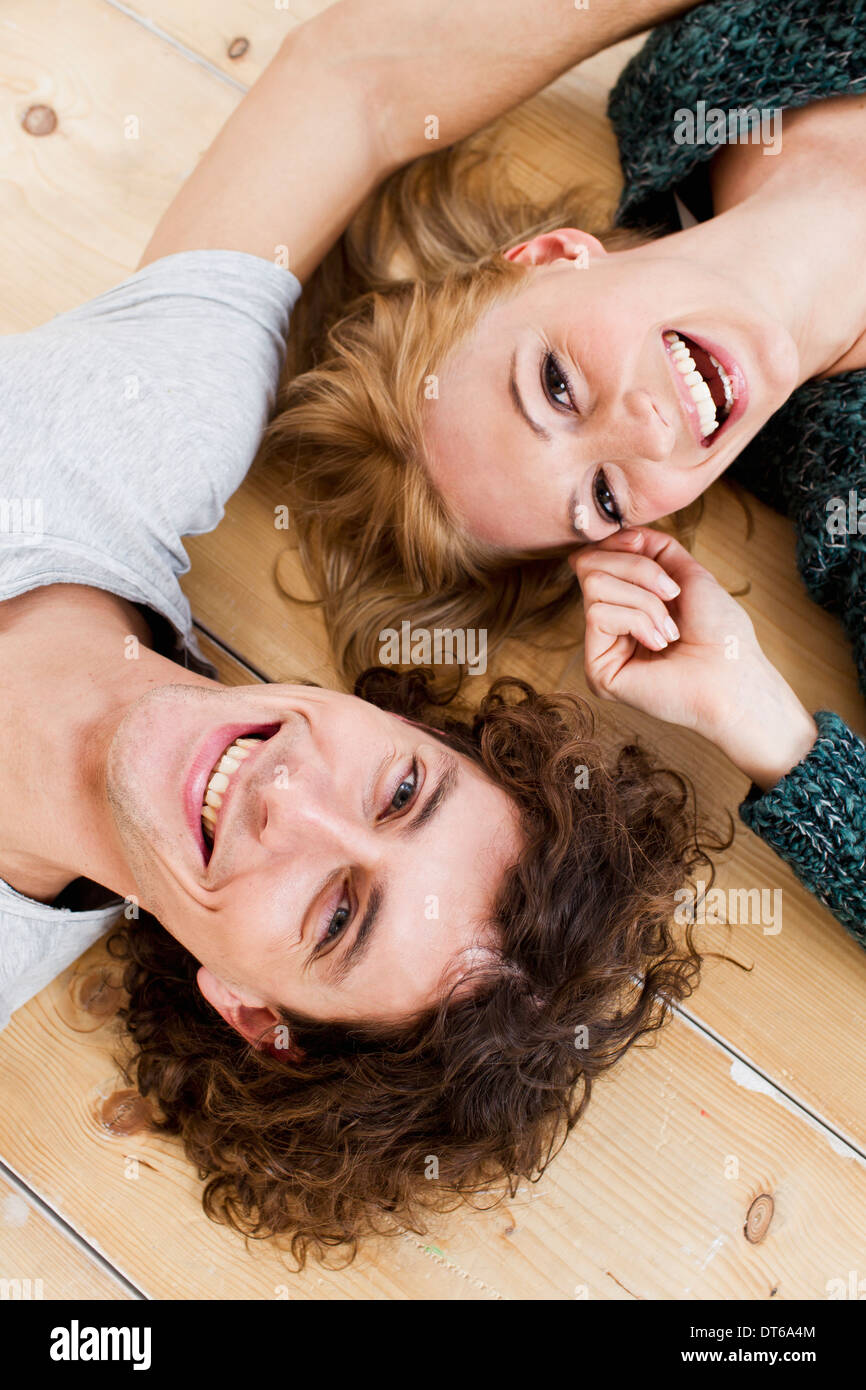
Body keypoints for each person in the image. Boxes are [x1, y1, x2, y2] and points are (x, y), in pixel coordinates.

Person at [0, 0, 717, 1263]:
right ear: (389, 718)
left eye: (336, 915)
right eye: (396, 789)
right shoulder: (152, 428)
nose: (291, 799)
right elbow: (358, 82)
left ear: (250, 1011)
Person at [266, 0, 866, 941]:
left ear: (550, 259)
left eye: (552, 384)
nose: (641, 430)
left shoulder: (699, 84)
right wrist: (770, 731)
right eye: (603, 495)